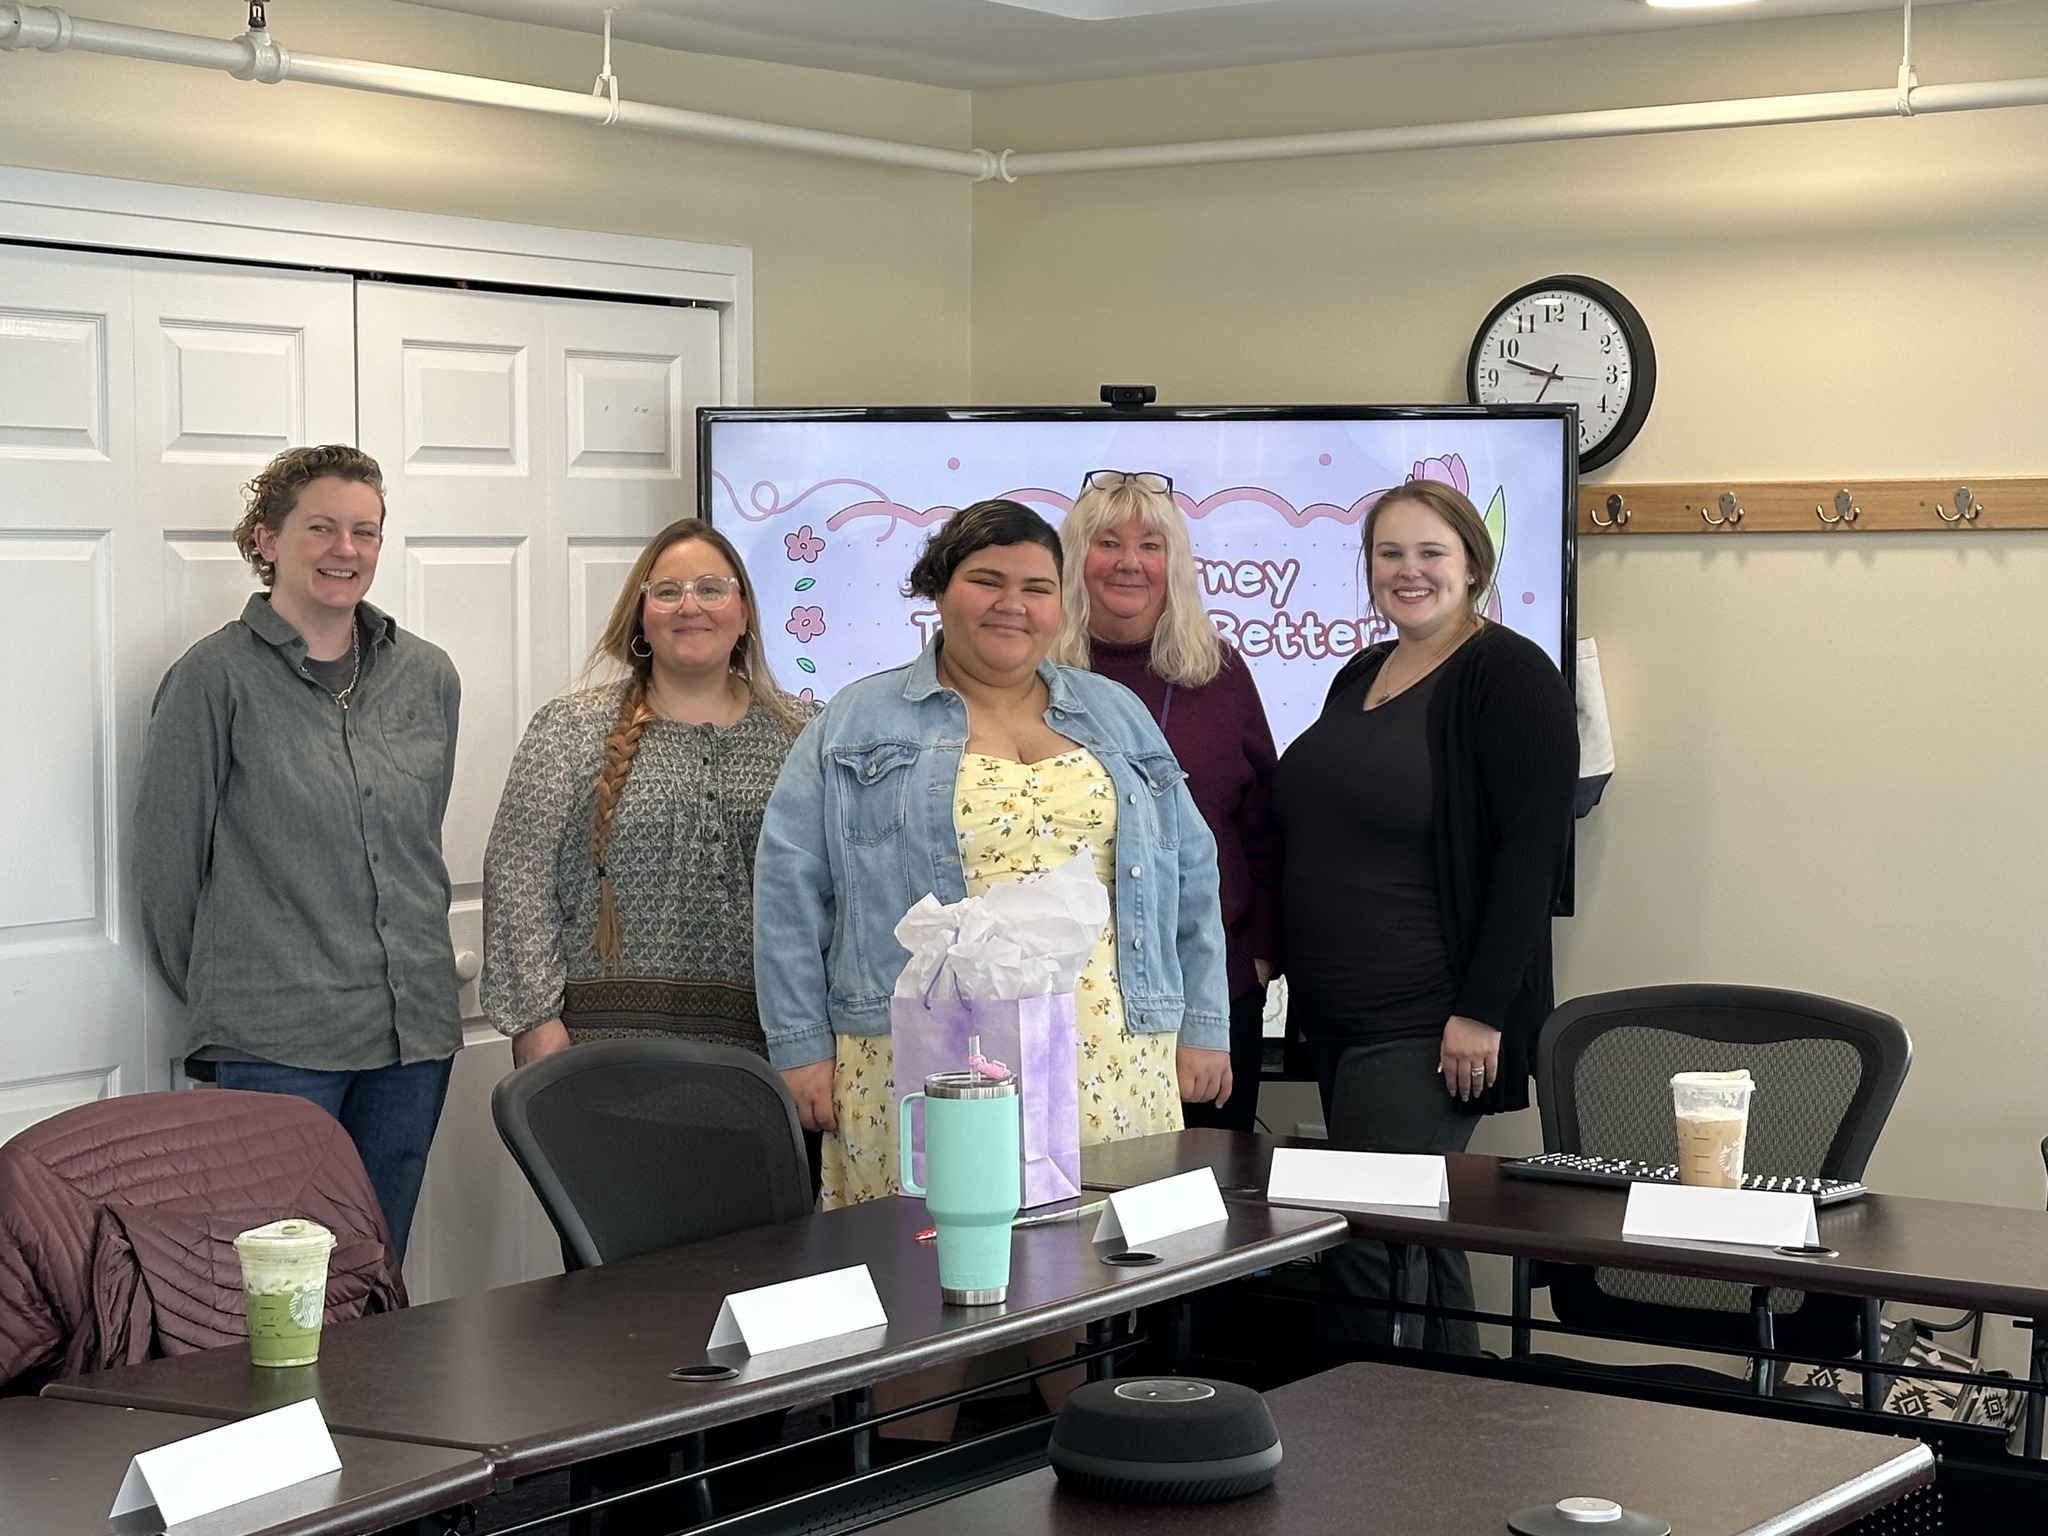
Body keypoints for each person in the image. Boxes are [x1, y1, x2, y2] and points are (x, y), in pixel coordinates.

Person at [755, 498, 1234, 1209]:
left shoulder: (1116, 713)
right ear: (939, 589)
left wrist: (1203, 1027)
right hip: (917, 1050)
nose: (1013, 604)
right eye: (987, 581)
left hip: (1110, 1045)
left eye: (1037, 588)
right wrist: (799, 1048)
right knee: (931, 1262)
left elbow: (1190, 871)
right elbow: (789, 889)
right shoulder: (856, 720)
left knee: (1085, 1274)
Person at [133, 444, 462, 1260]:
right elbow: (167, 873)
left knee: (376, 1262)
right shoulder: (212, 679)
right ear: (266, 539)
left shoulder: (428, 676)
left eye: (366, 531)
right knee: (279, 1280)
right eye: (320, 527)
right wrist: (241, 997)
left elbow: (417, 839)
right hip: (277, 1043)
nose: (345, 549)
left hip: (412, 1034)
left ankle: (372, 1395)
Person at [1272, 478, 1576, 1353]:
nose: (1409, 572)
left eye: (1431, 552)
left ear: (1473, 566)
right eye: (1389, 553)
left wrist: (1481, 1010)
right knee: (1412, 1242)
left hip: (1428, 1017)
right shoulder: (1361, 672)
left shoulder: (1510, 675)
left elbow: (1529, 856)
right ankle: (1457, 1443)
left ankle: (1368, 1440)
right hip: (1340, 1016)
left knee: (1363, 1240)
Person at [483, 519, 809, 1065]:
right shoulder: (568, 729)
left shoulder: (805, 734)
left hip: (767, 1058)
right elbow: (518, 879)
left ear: (745, 611)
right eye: (667, 591)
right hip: (598, 1056)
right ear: (640, 614)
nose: (690, 606)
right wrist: (534, 1022)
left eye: (711, 588)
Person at [1052, 469, 1279, 1132]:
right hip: (1072, 990)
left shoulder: (1223, 674)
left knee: (1207, 1203)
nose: (1129, 561)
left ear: (1174, 564)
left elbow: (1264, 829)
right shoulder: (1031, 677)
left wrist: (1259, 955)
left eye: (1150, 545)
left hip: (1208, 988)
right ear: (1073, 561)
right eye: (1107, 542)